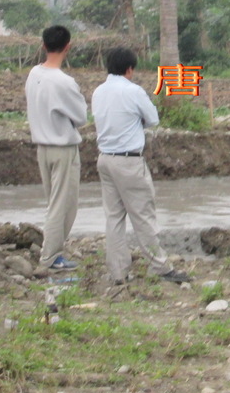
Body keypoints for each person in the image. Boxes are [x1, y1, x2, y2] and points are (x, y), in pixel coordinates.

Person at [92, 47, 192, 285]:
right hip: (128, 160)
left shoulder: (98, 91)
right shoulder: (133, 91)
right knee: (143, 215)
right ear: (130, 69)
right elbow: (153, 119)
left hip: (105, 159)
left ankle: (118, 273)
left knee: (114, 217)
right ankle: (160, 267)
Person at [25, 25, 88, 271]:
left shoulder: (34, 74)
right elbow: (81, 117)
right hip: (62, 148)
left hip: (42, 146)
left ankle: (51, 252)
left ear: (43, 46)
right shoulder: (64, 81)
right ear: (68, 47)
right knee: (62, 204)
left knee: (54, 201)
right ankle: (50, 256)